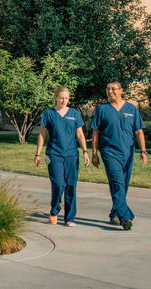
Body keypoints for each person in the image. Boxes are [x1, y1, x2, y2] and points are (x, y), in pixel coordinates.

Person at [91, 80, 147, 231]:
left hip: (128, 152)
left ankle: (114, 214)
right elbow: (95, 132)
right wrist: (94, 153)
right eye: (108, 89)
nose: (110, 92)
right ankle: (125, 217)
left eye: (113, 89)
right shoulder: (102, 109)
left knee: (123, 185)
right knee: (117, 182)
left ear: (121, 90)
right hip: (109, 151)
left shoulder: (131, 109)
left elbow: (138, 131)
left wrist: (143, 151)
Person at [34, 87, 90, 226]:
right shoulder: (49, 114)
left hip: (71, 155)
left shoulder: (74, 114)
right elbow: (42, 135)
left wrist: (85, 151)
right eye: (61, 98)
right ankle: (54, 210)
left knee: (71, 185)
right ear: (56, 98)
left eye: (66, 98)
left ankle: (69, 218)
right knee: (58, 184)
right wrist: (38, 154)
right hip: (54, 154)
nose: (64, 101)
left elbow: (80, 134)